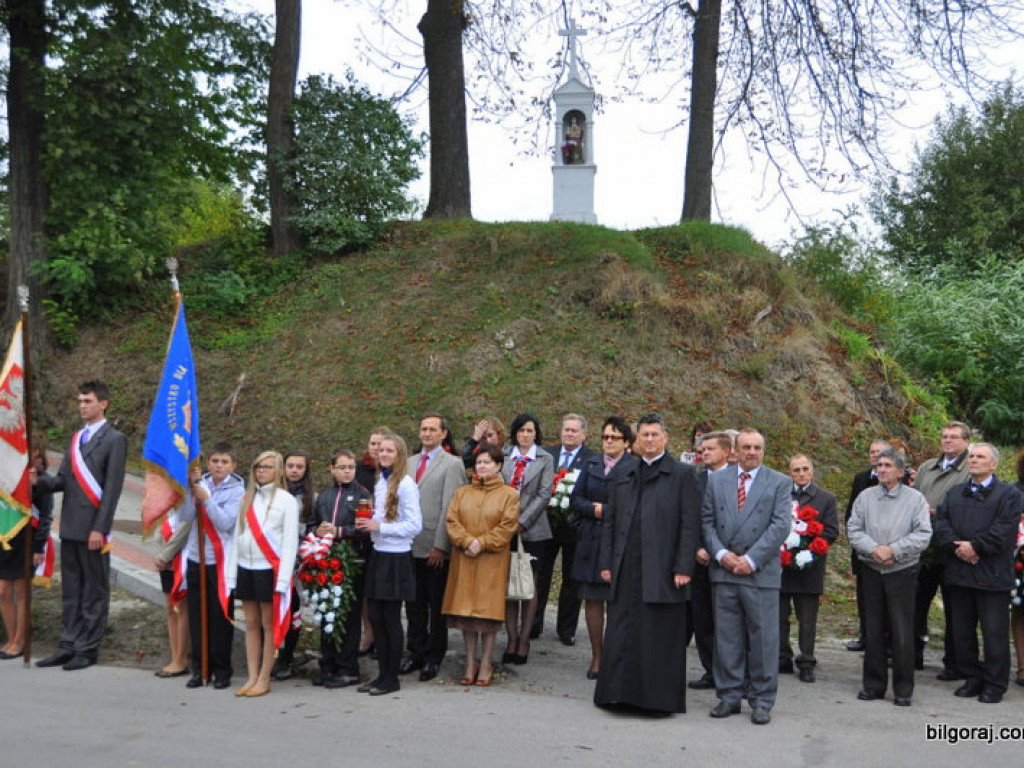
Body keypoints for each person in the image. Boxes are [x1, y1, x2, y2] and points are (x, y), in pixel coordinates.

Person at [594, 413, 701, 716]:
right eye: (645, 435)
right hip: (626, 566)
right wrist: (606, 562)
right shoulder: (624, 472)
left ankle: (655, 701)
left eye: (655, 434)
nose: (650, 440)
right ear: (637, 439)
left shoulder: (682, 475)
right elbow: (610, 521)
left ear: (666, 438)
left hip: (663, 569)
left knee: (657, 635)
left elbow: (690, 524)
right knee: (621, 631)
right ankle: (616, 695)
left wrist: (684, 567)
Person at [36, 380, 128, 671]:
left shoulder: (115, 439)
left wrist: (100, 528)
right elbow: (62, 481)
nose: (82, 406)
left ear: (103, 404)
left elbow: (112, 489)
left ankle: (87, 649)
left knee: (94, 591)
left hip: (93, 530)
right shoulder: (76, 438)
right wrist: (37, 479)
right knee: (72, 589)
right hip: (71, 526)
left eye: (87, 401)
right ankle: (68, 644)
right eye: (80, 401)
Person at [703, 428, 792, 725]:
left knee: (763, 640)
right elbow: (706, 521)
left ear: (763, 450)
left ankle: (762, 700)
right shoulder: (716, 481)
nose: (752, 452)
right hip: (725, 572)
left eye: (757, 447)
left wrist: (751, 560)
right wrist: (721, 554)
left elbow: (780, 525)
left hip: (760, 573)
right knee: (727, 639)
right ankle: (729, 695)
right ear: (735, 451)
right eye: (746, 447)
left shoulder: (779, 482)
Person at [933, 443, 1022, 704]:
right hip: (960, 573)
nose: (973, 460)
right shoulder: (954, 493)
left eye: (980, 456)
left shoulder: (1009, 494)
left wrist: (975, 547)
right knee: (962, 633)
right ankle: (972, 677)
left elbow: (1005, 530)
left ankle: (995, 684)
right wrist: (958, 548)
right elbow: (941, 524)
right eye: (971, 456)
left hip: (992, 576)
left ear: (994, 464)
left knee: (994, 635)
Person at [848, 447, 931, 707]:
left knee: (902, 630)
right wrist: (874, 550)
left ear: (900, 471)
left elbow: (923, 534)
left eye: (887, 465)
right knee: (873, 629)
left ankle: (903, 689)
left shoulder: (915, 499)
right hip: (872, 569)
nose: (881, 469)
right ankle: (873, 685)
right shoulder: (865, 497)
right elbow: (853, 529)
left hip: (902, 571)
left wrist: (893, 550)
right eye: (879, 465)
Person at [443, 443, 520, 686]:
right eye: (479, 462)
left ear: (498, 465)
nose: (482, 466)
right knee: (467, 615)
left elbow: (507, 526)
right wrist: (467, 541)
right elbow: (452, 520)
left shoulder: (510, 495)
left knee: (488, 617)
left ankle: (486, 662)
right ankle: (469, 662)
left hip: (492, 563)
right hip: (465, 560)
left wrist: (482, 543)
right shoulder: (462, 493)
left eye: (487, 462)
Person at [227, 451, 299, 697]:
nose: (262, 471)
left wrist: (283, 579)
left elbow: (290, 543)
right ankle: (251, 676)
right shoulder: (247, 498)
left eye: (267, 467)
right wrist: (231, 573)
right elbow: (237, 537)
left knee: (268, 624)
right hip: (246, 567)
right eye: (258, 466)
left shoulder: (287, 500)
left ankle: (265, 677)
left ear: (278, 470)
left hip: (269, 570)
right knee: (251, 623)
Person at [401, 413, 467, 681]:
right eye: (423, 429)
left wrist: (441, 545)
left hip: (434, 546)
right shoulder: (409, 462)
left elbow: (450, 507)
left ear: (443, 433)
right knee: (413, 604)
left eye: (432, 429)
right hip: (408, 544)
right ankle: (415, 651)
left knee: (436, 605)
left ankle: (433, 655)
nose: (427, 434)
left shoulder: (452, 464)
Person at [569, 416, 634, 680]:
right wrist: (594, 510)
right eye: (605, 437)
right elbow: (576, 498)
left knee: (617, 602)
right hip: (589, 539)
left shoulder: (633, 467)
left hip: (619, 542)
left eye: (614, 437)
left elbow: (633, 506)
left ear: (626, 442)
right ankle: (597, 656)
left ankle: (617, 657)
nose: (608, 442)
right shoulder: (591, 463)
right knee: (592, 599)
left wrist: (606, 511)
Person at [356, 434, 422, 695]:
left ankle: (391, 678)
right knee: (375, 616)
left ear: (399, 455)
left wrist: (379, 527)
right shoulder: (381, 481)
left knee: (390, 618)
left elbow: (414, 525)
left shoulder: (405, 484)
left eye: (389, 451)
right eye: (381, 450)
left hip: (396, 557)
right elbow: (382, 517)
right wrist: (368, 520)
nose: (383, 454)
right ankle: (381, 674)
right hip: (379, 553)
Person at [178, 443, 245, 690]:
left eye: (224, 462)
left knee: (220, 617)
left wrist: (206, 499)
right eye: (215, 461)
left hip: (220, 561)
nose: (219, 466)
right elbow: (185, 516)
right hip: (197, 557)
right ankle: (199, 668)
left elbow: (225, 523)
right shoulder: (200, 482)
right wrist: (190, 490)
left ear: (233, 466)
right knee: (197, 615)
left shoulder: (238, 490)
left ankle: (221, 669)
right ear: (208, 463)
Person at [309, 448, 372, 688]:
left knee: (348, 616)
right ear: (332, 469)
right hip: (325, 562)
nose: (347, 472)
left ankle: (348, 669)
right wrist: (317, 530)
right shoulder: (324, 496)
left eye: (351, 467)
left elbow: (365, 529)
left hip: (351, 562)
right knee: (327, 612)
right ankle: (328, 665)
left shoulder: (362, 495)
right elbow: (313, 523)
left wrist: (340, 531)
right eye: (342, 467)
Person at [912, 421, 970, 679]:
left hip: (953, 549)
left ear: (966, 441)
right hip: (923, 549)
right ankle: (912, 655)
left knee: (955, 609)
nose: (947, 440)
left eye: (954, 437)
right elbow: (913, 499)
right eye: (944, 436)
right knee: (917, 604)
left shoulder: (970, 468)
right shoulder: (927, 467)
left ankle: (953, 663)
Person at [534, 413, 597, 643]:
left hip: (575, 527)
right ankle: (534, 624)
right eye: (566, 429)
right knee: (541, 576)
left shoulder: (592, 459)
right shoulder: (546, 454)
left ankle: (566, 630)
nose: (569, 434)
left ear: (583, 434)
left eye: (574, 430)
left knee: (572, 580)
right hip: (546, 524)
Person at [779, 454, 839, 683]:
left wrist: (809, 549)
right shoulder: (781, 494)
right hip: (782, 566)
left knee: (807, 620)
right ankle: (782, 657)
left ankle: (806, 661)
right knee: (779, 616)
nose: (801, 473)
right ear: (790, 473)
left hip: (809, 567)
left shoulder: (826, 498)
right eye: (796, 470)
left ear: (812, 471)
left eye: (805, 469)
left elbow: (831, 530)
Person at [501, 413, 554, 665]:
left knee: (528, 586)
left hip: (533, 530)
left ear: (536, 434)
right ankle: (511, 638)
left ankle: (524, 639)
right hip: (504, 528)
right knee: (508, 586)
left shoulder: (545, 458)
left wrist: (522, 521)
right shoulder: (504, 455)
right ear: (515, 433)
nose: (525, 435)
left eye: (530, 431)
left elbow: (544, 494)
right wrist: (506, 522)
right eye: (521, 430)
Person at [686, 430, 732, 690]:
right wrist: (696, 548)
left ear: (726, 451)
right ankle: (711, 672)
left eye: (710, 449)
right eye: (702, 450)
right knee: (703, 620)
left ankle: (733, 674)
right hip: (700, 562)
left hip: (728, 561)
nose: (704, 453)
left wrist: (719, 551)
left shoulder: (737, 481)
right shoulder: (695, 480)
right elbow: (688, 517)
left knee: (728, 623)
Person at [0, 442, 53, 661]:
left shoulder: (41, 479)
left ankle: (20, 641)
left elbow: (46, 517)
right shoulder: (8, 475)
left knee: (21, 591)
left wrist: (39, 547)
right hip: (6, 536)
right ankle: (11, 638)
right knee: (3, 591)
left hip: (27, 539)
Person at [843, 439, 891, 652]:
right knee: (864, 597)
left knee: (888, 599)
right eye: (872, 452)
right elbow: (851, 513)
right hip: (864, 548)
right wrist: (861, 542)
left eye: (879, 452)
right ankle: (866, 637)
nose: (875, 455)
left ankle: (887, 641)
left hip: (889, 550)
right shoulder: (861, 478)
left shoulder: (899, 480)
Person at [273, 451, 316, 681]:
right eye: (290, 465)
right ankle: (269, 654)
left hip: (297, 563)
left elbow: (313, 528)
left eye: (300, 466)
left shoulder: (311, 498)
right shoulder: (272, 493)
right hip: (271, 559)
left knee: (292, 610)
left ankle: (286, 657)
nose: (294, 470)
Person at [356, 427, 391, 656]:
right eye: (373, 443)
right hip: (363, 538)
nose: (376, 448)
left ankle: (383, 636)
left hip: (386, 538)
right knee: (365, 591)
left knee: (383, 591)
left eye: (381, 444)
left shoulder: (394, 472)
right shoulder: (359, 470)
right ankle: (368, 633)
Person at [153, 503, 191, 677]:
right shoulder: (165, 496)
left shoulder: (189, 496)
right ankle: (174, 656)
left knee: (182, 607)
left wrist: (165, 554)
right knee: (170, 608)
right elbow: (158, 521)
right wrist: (160, 552)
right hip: (165, 557)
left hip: (181, 556)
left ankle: (181, 659)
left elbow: (185, 527)